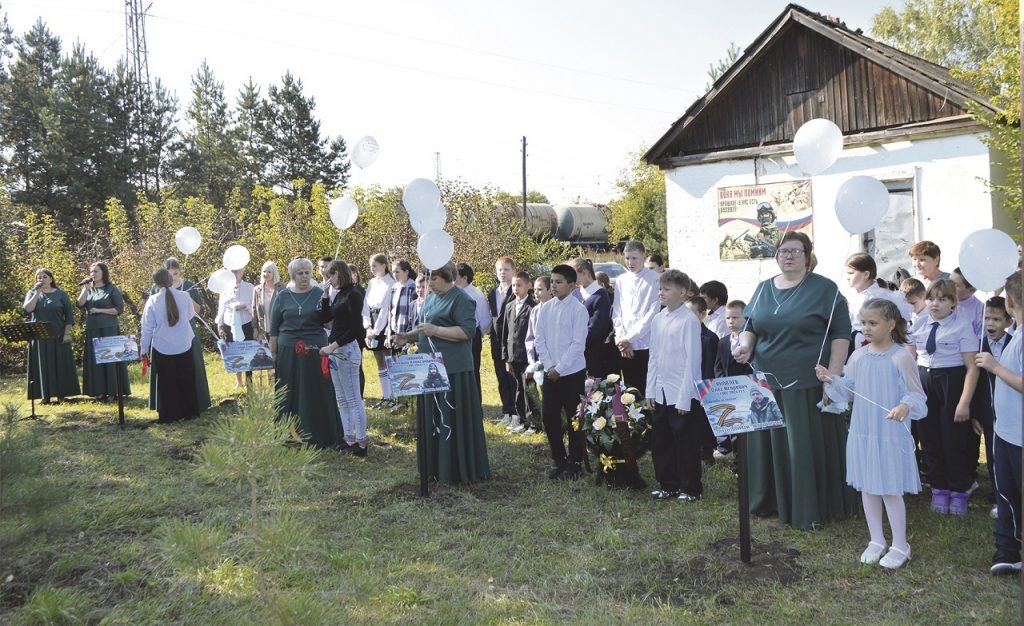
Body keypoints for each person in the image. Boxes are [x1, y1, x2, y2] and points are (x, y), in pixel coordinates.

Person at [733, 231, 855, 530]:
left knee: (800, 446)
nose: (788, 256)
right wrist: (745, 345)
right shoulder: (763, 288)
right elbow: (751, 326)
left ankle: (808, 505)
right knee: (768, 444)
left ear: (807, 256)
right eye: (783, 251)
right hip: (765, 383)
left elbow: (840, 335)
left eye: (795, 251)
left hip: (806, 382)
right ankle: (770, 500)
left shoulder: (825, 289)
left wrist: (833, 378)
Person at [817, 299, 927, 569]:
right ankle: (876, 539)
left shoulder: (901, 357)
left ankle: (900, 544)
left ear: (891, 324)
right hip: (863, 430)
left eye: (873, 323)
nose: (866, 328)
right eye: (863, 322)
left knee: (889, 488)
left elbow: (917, 394)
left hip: (889, 433)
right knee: (868, 486)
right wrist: (832, 380)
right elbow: (850, 391)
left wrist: (905, 406)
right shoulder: (858, 356)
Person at [393, 262, 490, 484]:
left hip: (453, 369)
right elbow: (425, 328)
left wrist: (436, 330)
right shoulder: (431, 298)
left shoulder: (462, 299)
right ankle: (436, 466)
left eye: (434, 279)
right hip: (429, 367)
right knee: (433, 417)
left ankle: (456, 468)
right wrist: (408, 336)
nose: (430, 284)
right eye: (428, 279)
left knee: (450, 417)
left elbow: (467, 331)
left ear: (448, 276)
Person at [908, 279, 979, 516]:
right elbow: (910, 355)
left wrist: (964, 402)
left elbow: (972, 368)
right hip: (924, 381)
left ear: (953, 303)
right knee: (929, 437)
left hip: (951, 382)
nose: (935, 304)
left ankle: (959, 489)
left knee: (953, 439)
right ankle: (939, 487)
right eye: (931, 298)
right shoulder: (920, 323)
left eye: (942, 299)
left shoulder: (962, 326)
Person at [975, 271, 1024, 574]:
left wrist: (994, 367)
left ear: (1009, 302)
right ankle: (1007, 550)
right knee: (1006, 493)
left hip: (1019, 435)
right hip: (1005, 430)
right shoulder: (1017, 331)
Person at [269, 258, 343, 449]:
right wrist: (273, 354)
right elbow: (274, 328)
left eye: (307, 273)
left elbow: (329, 323)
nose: (304, 276)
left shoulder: (320, 293)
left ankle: (320, 434)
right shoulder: (283, 296)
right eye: (300, 273)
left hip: (315, 350)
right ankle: (288, 434)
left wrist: (331, 303)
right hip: (287, 351)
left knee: (315, 390)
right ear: (293, 275)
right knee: (288, 391)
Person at [646, 269, 703, 501]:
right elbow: (653, 356)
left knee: (685, 443)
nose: (661, 293)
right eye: (660, 288)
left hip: (681, 392)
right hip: (661, 390)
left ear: (682, 293)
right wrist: (650, 389)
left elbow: (693, 361)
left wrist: (685, 397)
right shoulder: (658, 319)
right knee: (661, 441)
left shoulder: (689, 320)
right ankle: (668, 484)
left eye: (666, 289)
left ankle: (690, 488)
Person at [534, 265, 589, 480]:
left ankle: (575, 461)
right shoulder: (546, 308)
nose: (554, 286)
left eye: (559, 282)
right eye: (552, 282)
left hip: (572, 373)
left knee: (574, 417)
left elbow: (577, 345)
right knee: (549, 416)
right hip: (551, 373)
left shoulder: (578, 310)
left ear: (572, 285)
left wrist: (560, 368)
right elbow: (540, 339)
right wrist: (549, 366)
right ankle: (558, 458)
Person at [315, 259, 369, 455]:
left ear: (340, 273)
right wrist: (325, 295)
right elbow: (325, 318)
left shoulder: (354, 294)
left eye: (331, 274)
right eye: (327, 275)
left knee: (353, 397)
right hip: (336, 350)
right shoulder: (339, 294)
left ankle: (361, 442)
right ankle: (348, 437)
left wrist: (333, 346)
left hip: (347, 349)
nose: (328, 278)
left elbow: (356, 329)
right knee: (342, 397)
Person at [149, 258, 211, 414]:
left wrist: (186, 298)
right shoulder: (156, 289)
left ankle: (196, 402)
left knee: (190, 367)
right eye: (170, 272)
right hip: (164, 334)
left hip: (186, 332)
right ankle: (168, 405)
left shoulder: (188, 286)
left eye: (176, 271)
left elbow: (197, 311)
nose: (174, 274)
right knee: (167, 370)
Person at [140, 268, 200, 423]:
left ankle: (170, 414)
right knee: (187, 379)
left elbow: (147, 327)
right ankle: (190, 412)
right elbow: (190, 315)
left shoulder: (153, 300)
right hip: (184, 343)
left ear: (156, 283)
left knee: (167, 382)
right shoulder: (185, 296)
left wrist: (143, 349)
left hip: (163, 346)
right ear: (170, 279)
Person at [977, 296, 1014, 513]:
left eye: (997, 319)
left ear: (1009, 321)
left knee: (1010, 456)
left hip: (1011, 410)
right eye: (987, 318)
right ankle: (998, 496)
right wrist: (975, 413)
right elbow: (975, 383)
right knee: (993, 454)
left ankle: (1012, 495)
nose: (990, 323)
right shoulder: (978, 345)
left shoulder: (1014, 344)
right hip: (988, 411)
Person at [22, 268, 80, 403]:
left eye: (44, 277)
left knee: (60, 363)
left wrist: (67, 333)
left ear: (51, 279)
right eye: (39, 277)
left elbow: (69, 316)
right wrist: (36, 294)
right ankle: (45, 395)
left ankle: (61, 394)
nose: (41, 280)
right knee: (42, 364)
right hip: (39, 335)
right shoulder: (32, 293)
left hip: (58, 334)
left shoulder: (61, 294)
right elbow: (27, 310)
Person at [612, 241, 660, 396]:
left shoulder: (655, 279)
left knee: (646, 388)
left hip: (645, 343)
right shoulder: (621, 280)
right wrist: (621, 339)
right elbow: (617, 311)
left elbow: (652, 313)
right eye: (627, 258)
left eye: (634, 258)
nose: (630, 262)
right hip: (624, 345)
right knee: (629, 391)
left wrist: (630, 339)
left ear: (643, 257)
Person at [77, 262, 130, 399]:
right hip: (92, 328)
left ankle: (113, 391)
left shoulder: (111, 288)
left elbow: (119, 309)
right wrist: (85, 290)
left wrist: (99, 310)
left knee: (110, 358)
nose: (92, 274)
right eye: (91, 272)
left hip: (108, 328)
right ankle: (98, 391)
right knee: (95, 360)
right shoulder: (89, 288)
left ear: (103, 273)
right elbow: (80, 304)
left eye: (96, 271)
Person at [845, 253, 913, 350]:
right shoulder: (856, 296)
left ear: (866, 274)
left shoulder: (878, 297)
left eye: (851, 273)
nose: (847, 277)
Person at [712, 300, 753, 459]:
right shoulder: (723, 342)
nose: (731, 321)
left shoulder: (751, 342)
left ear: (746, 318)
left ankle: (746, 459)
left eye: (735, 318)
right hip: (728, 392)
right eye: (728, 318)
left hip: (746, 391)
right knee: (732, 425)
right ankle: (736, 459)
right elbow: (718, 366)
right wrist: (723, 384)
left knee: (746, 429)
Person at [685, 295, 720, 464]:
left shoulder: (709, 338)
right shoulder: (681, 334)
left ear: (702, 314)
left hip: (702, 386)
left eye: (691, 313)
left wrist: (704, 390)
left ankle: (707, 452)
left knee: (703, 420)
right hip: (685, 384)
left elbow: (709, 365)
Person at [501, 271, 536, 434]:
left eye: (519, 285)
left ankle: (534, 422)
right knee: (518, 389)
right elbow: (505, 334)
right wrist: (506, 358)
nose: (516, 288)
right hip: (512, 355)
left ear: (528, 286)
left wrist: (533, 359)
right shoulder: (509, 306)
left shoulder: (532, 307)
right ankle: (522, 420)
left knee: (529, 389)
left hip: (526, 356)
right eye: (514, 285)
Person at [571, 258, 616, 379]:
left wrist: (575, 343)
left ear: (584, 273)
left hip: (594, 355)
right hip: (575, 355)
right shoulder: (575, 293)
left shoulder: (600, 296)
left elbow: (596, 328)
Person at [363, 253, 396, 408]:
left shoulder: (391, 283)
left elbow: (385, 308)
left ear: (383, 265)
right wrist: (368, 327)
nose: (372, 269)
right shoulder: (371, 282)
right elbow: (365, 306)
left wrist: (376, 330)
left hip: (385, 322)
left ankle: (393, 396)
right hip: (372, 320)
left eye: (375, 266)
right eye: (371, 266)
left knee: (388, 358)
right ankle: (385, 395)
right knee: (379, 359)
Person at [488, 256, 516, 424]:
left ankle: (516, 413)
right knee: (501, 378)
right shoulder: (493, 293)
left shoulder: (516, 291)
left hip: (511, 342)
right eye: (500, 269)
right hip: (496, 342)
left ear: (513, 271)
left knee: (512, 379)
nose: (502, 273)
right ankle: (507, 412)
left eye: (506, 269)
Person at [215, 268, 255, 389]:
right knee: (235, 352)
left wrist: (244, 306)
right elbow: (221, 308)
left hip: (246, 323)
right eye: (232, 271)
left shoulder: (249, 287)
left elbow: (254, 307)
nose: (235, 274)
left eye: (237, 271)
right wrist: (220, 325)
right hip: (230, 324)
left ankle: (249, 381)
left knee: (247, 352)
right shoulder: (224, 289)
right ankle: (239, 381)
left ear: (242, 271)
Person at [455, 263, 491, 392]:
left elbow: (485, 320)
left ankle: (475, 401)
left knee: (473, 371)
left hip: (472, 337)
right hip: (455, 336)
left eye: (455, 275)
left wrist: (477, 334)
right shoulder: (453, 293)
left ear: (464, 278)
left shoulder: (476, 294)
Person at [253, 261, 285, 341]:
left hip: (279, 330)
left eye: (269, 272)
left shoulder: (282, 288)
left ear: (274, 273)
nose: (266, 274)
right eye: (264, 271)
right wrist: (255, 328)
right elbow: (254, 310)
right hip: (262, 331)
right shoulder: (257, 289)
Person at [951, 267, 985, 340]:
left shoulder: (982, 311)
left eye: (955, 285)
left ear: (972, 290)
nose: (949, 286)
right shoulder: (937, 302)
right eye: (949, 281)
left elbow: (981, 339)